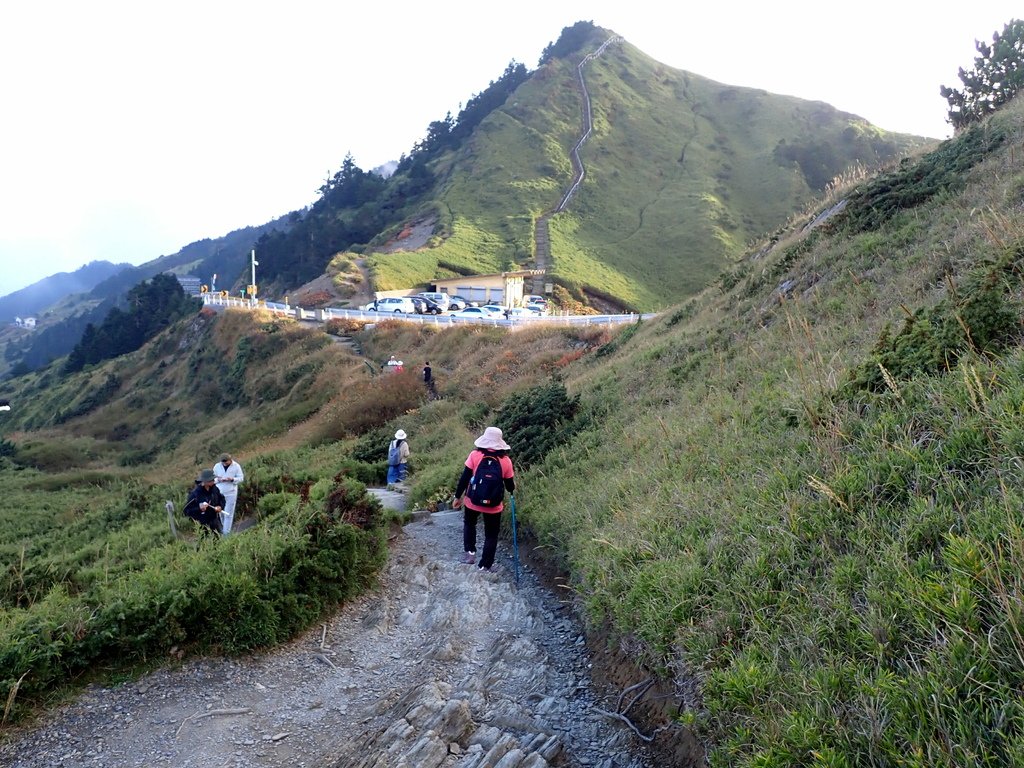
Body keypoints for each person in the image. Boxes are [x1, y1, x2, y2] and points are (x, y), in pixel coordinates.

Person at [452, 427, 515, 572]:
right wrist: (511, 490)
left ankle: (470, 554)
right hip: (494, 505)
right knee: (491, 534)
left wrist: (457, 497)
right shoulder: (505, 461)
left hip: (472, 500)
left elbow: (464, 478)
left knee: (469, 523)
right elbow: (510, 486)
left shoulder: (475, 455)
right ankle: (485, 565)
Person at [182, 469, 225, 536]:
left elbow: (221, 499)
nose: (214, 481)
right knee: (205, 543)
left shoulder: (215, 489)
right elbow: (186, 511)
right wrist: (199, 508)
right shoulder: (195, 494)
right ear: (206, 482)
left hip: (215, 521)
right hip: (201, 525)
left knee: (219, 540)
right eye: (212, 480)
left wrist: (220, 506)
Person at [213, 453, 244, 535]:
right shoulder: (216, 466)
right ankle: (225, 530)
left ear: (230, 460)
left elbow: (241, 478)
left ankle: (226, 534)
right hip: (219, 492)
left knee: (228, 513)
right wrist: (219, 479)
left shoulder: (236, 466)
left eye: (226, 462)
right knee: (221, 513)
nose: (224, 463)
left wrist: (232, 479)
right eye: (223, 462)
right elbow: (213, 479)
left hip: (231, 492)